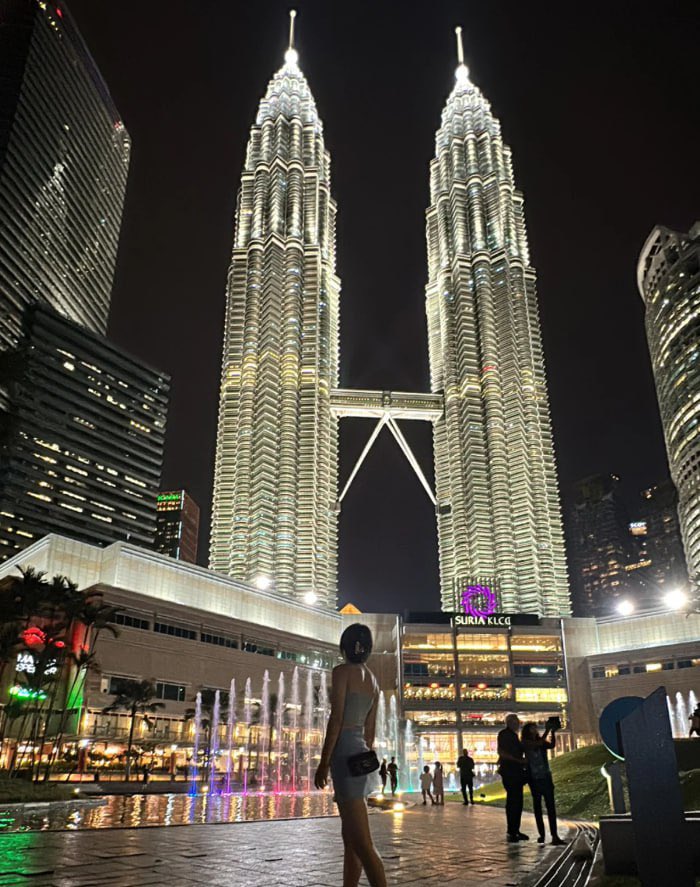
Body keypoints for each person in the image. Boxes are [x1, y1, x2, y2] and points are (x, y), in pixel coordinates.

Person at [314, 624, 387, 887]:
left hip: (344, 753)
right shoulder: (374, 682)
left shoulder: (342, 672)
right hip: (361, 757)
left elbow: (336, 719)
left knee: (363, 845)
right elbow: (370, 734)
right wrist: (361, 757)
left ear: (344, 647)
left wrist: (324, 762)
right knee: (352, 840)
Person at [521, 721, 566, 846]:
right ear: (527, 731)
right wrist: (547, 731)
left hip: (545, 776)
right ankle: (542, 834)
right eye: (532, 728)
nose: (535, 730)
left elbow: (550, 745)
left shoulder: (540, 741)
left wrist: (552, 732)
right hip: (534, 778)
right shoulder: (525, 742)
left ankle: (554, 835)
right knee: (538, 807)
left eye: (535, 728)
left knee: (550, 806)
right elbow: (537, 744)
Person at [497, 713, 528, 843]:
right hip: (510, 771)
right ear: (510, 723)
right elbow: (502, 752)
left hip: (515, 771)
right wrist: (518, 760)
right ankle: (512, 830)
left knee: (517, 801)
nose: (518, 724)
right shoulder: (505, 734)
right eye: (515, 722)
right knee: (513, 801)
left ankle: (515, 829)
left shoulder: (514, 736)